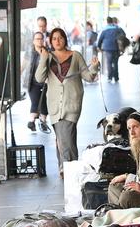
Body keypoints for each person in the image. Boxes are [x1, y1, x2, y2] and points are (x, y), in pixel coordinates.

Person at [35, 28, 99, 178]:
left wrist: (94, 67)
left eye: (60, 38)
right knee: (61, 138)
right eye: (54, 38)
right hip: (54, 105)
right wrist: (44, 58)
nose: (57, 41)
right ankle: (64, 168)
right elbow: (39, 78)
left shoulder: (75, 56)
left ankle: (71, 170)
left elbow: (88, 76)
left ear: (65, 39)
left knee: (67, 138)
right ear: (50, 41)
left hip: (72, 103)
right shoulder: (48, 57)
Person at [23, 32, 50, 133]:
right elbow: (24, 65)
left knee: (44, 102)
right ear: (33, 41)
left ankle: (42, 122)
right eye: (37, 39)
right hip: (32, 82)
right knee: (35, 101)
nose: (39, 41)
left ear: (43, 40)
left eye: (41, 39)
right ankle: (31, 121)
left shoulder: (47, 52)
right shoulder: (29, 52)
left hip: (45, 82)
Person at [97, 17, 125, 83]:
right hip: (116, 47)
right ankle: (116, 78)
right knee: (115, 63)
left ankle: (109, 77)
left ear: (107, 22)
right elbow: (123, 35)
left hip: (107, 48)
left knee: (109, 63)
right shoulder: (117, 29)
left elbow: (100, 39)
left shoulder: (105, 30)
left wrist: (99, 47)